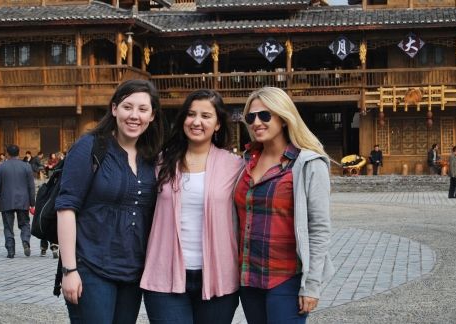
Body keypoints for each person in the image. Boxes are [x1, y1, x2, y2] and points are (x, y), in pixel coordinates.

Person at [55, 80, 164, 323]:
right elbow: (66, 208)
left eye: (142, 109)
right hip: (91, 267)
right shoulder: (90, 146)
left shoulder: (151, 156)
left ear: (152, 116)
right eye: (127, 107)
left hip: (132, 271)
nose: (134, 115)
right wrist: (69, 270)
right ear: (114, 109)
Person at [141, 90, 242, 324]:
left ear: (217, 125)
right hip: (165, 275)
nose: (197, 122)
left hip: (218, 276)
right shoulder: (161, 162)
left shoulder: (235, 166)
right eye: (190, 114)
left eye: (206, 116)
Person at [234, 87, 334, 324]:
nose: (256, 122)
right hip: (249, 278)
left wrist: (312, 285)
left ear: (283, 116)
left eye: (265, 115)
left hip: (287, 277)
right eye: (251, 117)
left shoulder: (307, 163)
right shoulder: (245, 162)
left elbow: (319, 228)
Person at [0, 144, 36, 258]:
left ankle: (10, 250)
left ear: (7, 154)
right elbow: (31, 186)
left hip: (6, 200)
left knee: (8, 226)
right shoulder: (26, 166)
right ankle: (25, 241)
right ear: (19, 153)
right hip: (23, 200)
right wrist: (32, 203)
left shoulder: (1, 167)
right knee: (25, 223)